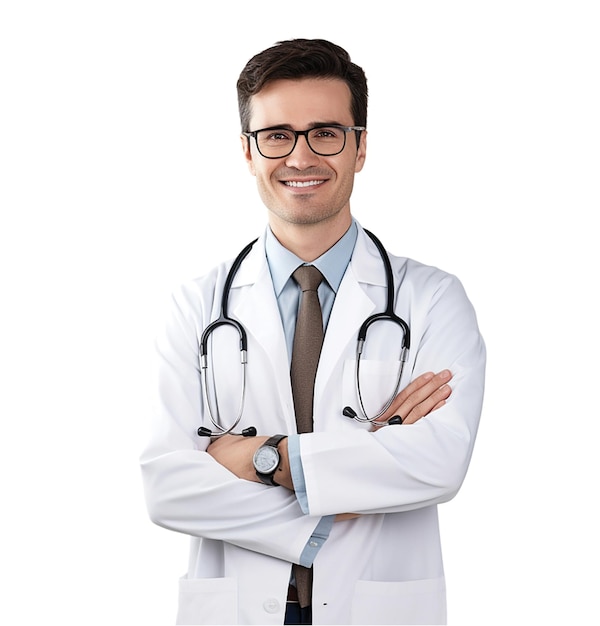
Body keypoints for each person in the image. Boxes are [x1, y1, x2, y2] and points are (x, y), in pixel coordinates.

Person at [140, 38, 486, 626]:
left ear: (360, 148)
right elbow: (167, 486)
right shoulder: (196, 305)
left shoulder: (432, 300)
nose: (301, 156)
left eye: (325, 132)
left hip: (377, 606)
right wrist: (355, 473)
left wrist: (268, 460)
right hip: (238, 606)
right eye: (277, 135)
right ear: (249, 153)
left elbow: (439, 462)